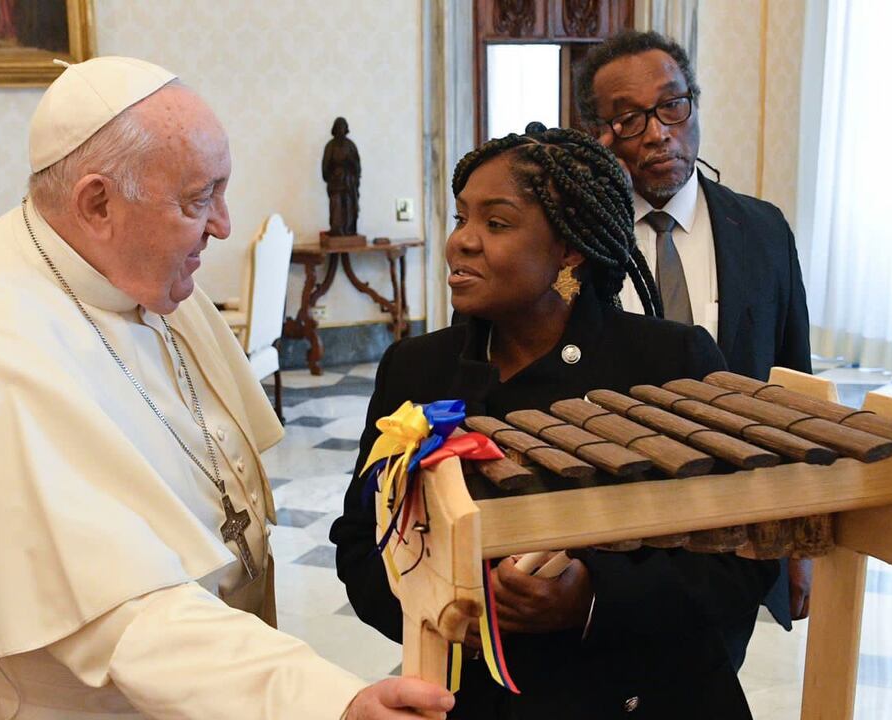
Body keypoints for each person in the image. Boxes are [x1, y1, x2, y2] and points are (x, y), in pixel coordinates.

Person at [0, 56, 452, 720]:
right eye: (198, 198)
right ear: (97, 204)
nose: (225, 225)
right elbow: (123, 614)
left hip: (203, 668)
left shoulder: (132, 272)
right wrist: (328, 703)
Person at [330, 125, 777, 719]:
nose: (460, 242)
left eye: (496, 223)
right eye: (461, 218)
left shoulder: (670, 362)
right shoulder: (416, 369)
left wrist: (593, 599)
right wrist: (451, 608)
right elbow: (362, 543)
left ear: (569, 250)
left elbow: (740, 563)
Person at [574, 31, 814, 657]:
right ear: (600, 133)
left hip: (730, 532)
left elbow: (791, 382)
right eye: (629, 119)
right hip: (606, 530)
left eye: (673, 105)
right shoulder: (571, 241)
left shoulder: (761, 229)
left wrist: (797, 542)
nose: (658, 133)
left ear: (693, 105)